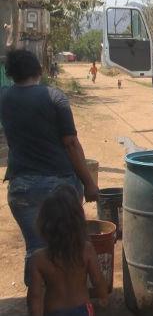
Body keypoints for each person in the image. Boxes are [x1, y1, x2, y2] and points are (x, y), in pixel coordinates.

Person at [0, 49, 99, 286]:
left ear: (11, 73)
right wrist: (89, 183)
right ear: (40, 70)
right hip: (58, 189)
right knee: (67, 248)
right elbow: (71, 144)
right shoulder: (54, 97)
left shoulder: (4, 97)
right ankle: (68, 301)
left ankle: (37, 304)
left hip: (20, 189)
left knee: (36, 249)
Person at [27, 185, 108, 316]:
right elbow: (98, 280)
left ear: (44, 224)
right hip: (83, 310)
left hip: (53, 310)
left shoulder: (38, 259)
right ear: (78, 223)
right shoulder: (86, 249)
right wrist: (103, 296)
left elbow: (35, 297)